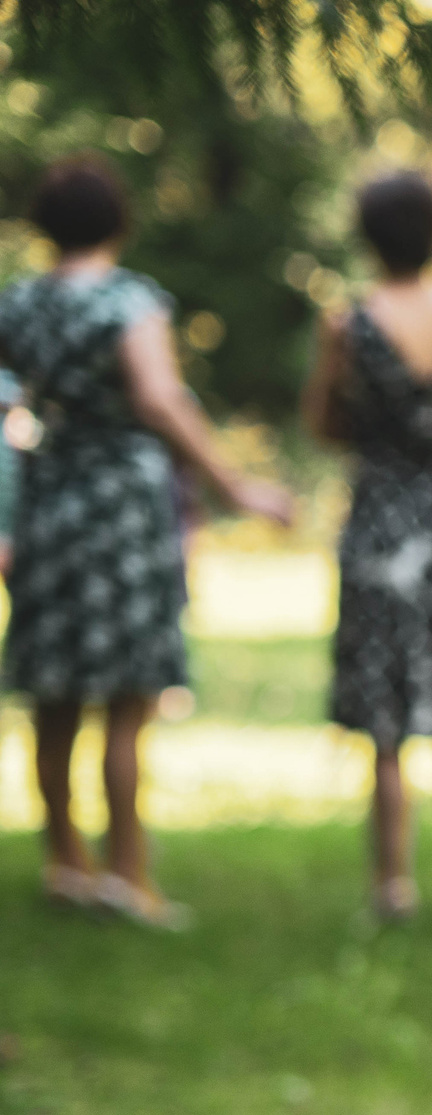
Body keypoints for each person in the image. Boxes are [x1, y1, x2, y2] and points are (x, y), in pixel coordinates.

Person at [0, 156, 293, 926]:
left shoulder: (20, 305)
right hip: (122, 512)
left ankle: (66, 861)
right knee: (128, 703)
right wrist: (238, 485)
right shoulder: (130, 302)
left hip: (47, 500)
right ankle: (128, 873)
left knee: (56, 699)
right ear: (118, 221)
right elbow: (159, 399)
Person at [303, 170, 432, 921]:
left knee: (387, 715)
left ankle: (393, 883)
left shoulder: (347, 324)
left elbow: (322, 423)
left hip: (383, 526)